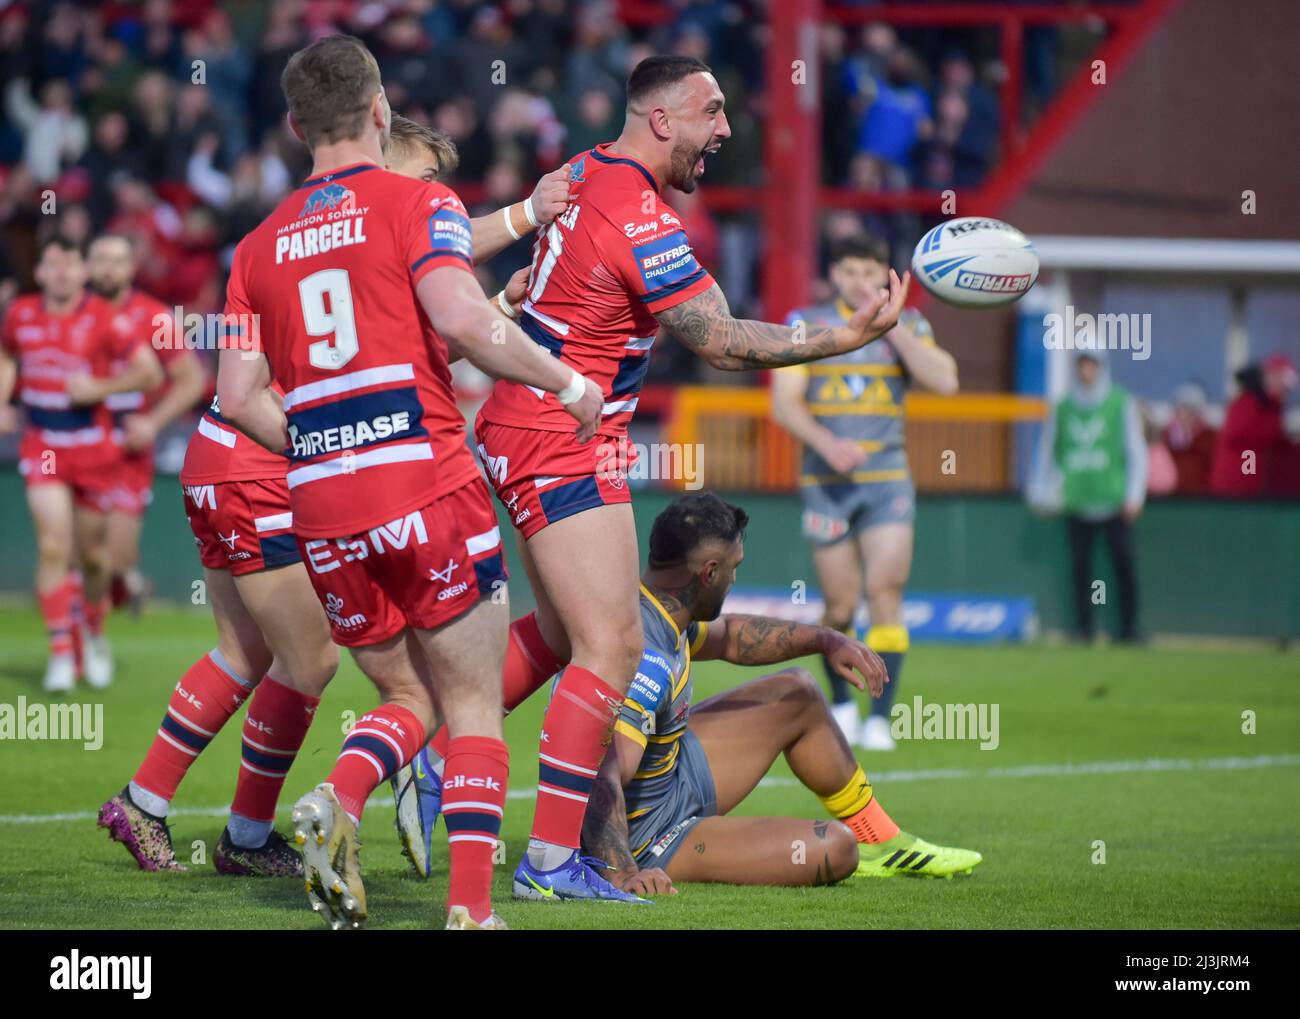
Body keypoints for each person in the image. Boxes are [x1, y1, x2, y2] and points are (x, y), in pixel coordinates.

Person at [96, 104, 579, 895]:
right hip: (269, 467)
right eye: (424, 176)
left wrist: (493, 303)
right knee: (334, 664)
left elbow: (412, 323)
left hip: (222, 458)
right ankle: (255, 830)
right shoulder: (380, 221)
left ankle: (151, 800)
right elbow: (422, 305)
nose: (437, 193)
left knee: (247, 651)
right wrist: (526, 217)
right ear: (379, 158)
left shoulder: (285, 240)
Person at [470, 54, 910, 903]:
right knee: (612, 644)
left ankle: (429, 748)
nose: (726, 130)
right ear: (662, 118)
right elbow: (720, 341)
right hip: (559, 433)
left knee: (572, 638)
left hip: (537, 423)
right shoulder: (636, 210)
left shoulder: (589, 171)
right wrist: (843, 338)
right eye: (712, 112)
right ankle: (551, 860)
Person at [215, 34, 601, 931]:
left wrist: (319, 440)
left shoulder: (256, 245)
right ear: (381, 109)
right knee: (470, 703)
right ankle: (470, 912)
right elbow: (464, 317)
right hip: (426, 484)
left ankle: (336, 796)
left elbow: (238, 394)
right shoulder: (417, 202)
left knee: (408, 695)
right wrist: (568, 383)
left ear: (295, 125)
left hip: (321, 506)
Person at [578, 492, 982, 891]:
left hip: (674, 775)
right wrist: (622, 873)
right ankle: (624, 860)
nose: (735, 580)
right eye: (734, 568)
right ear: (709, 573)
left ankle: (882, 840)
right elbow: (601, 771)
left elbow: (732, 637)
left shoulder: (660, 609)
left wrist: (826, 640)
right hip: (649, 836)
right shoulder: (643, 657)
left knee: (799, 692)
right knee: (835, 848)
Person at [771, 233, 957, 751]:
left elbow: (945, 382)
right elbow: (785, 404)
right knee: (840, 604)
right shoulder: (804, 323)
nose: (859, 282)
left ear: (886, 277)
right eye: (849, 271)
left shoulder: (910, 323)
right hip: (826, 485)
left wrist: (893, 330)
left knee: (886, 592)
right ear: (834, 275)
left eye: (870, 272)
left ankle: (879, 716)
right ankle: (838, 703)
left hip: (887, 484)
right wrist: (826, 443)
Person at [0, 235, 163, 692]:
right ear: (40, 273)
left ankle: (92, 632)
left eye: (70, 266)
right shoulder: (21, 313)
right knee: (53, 545)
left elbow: (149, 372)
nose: (61, 274)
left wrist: (98, 390)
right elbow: (7, 355)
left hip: (92, 446)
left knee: (94, 559)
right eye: (52, 266)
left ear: (82, 273)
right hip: (43, 444)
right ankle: (59, 652)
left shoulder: (105, 319)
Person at [87, 234, 208, 614]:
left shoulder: (154, 317)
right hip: (78, 438)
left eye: (117, 259)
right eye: (101, 259)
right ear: (87, 266)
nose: (108, 267)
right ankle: (85, 643)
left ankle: (128, 581)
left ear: (131, 268)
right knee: (78, 548)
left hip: (128, 443)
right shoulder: (71, 313)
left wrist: (154, 423)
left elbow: (193, 379)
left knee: (117, 558)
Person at [1031, 349, 1146, 642]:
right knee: (1080, 567)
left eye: (1092, 364)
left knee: (1123, 565)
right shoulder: (1063, 407)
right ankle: (1084, 627)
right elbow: (1047, 451)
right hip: (1077, 498)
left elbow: (1136, 452)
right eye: (1082, 364)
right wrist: (1039, 490)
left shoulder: (1121, 402)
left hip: (1113, 498)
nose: (1087, 370)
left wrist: (1134, 494)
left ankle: (1129, 628)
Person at [1210, 355, 1298, 498]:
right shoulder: (1251, 403)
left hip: (1252, 485)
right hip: (1236, 487)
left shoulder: (1268, 407)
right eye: (1283, 384)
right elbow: (1240, 437)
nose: (1285, 392)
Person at [1164, 382, 1216, 496]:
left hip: (1200, 497)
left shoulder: (1209, 437)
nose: (1182, 415)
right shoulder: (1166, 437)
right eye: (1179, 409)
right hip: (1171, 497)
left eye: (1189, 410)